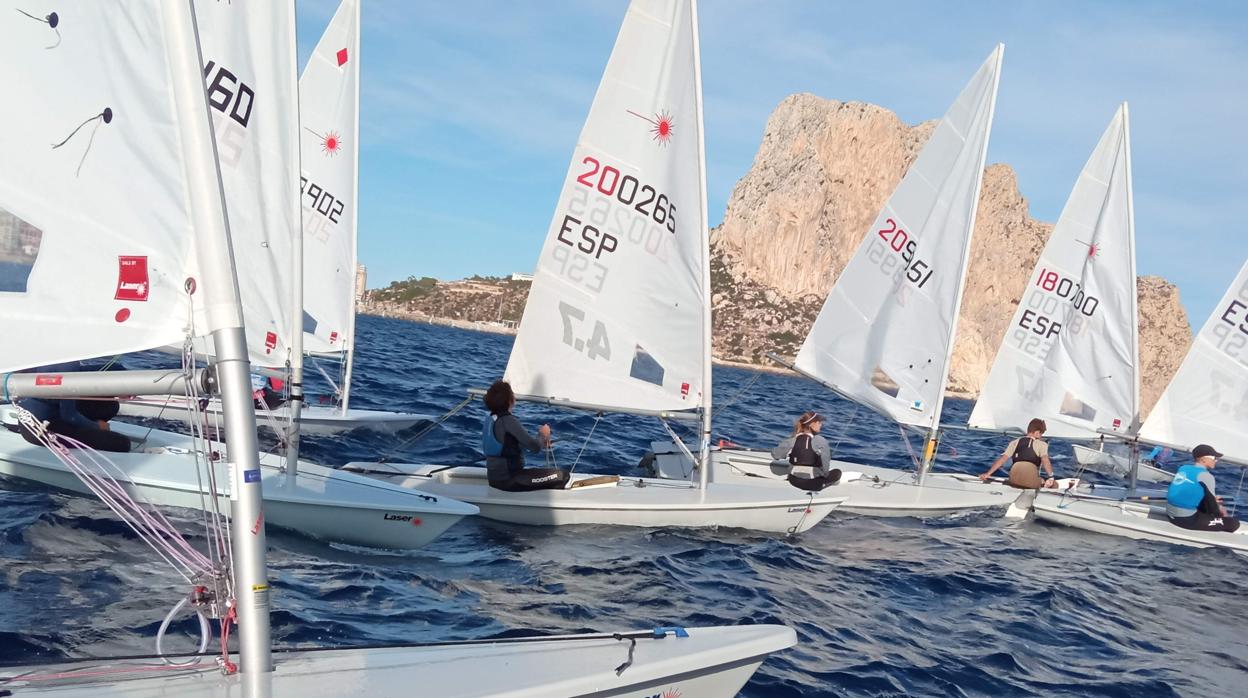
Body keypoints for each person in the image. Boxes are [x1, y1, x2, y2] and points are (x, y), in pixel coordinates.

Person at [11, 362, 130, 453]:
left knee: (109, 406)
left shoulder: (59, 358)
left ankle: (88, 432)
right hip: (42, 430)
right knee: (122, 443)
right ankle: (88, 434)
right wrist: (97, 426)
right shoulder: (67, 365)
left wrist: (121, 379)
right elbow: (69, 416)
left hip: (37, 417)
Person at [481, 380, 569, 492]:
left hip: (494, 479)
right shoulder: (508, 421)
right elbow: (534, 447)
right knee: (562, 476)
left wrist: (541, 443)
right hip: (510, 480)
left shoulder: (491, 420)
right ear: (510, 400)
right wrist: (543, 434)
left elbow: (508, 446)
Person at [1166, 444, 1240, 533]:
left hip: (1170, 514)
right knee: (1233, 523)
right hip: (1186, 519)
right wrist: (1221, 515)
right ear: (1203, 459)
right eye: (1214, 458)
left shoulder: (1183, 468)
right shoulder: (1206, 476)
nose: (1216, 460)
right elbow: (1212, 508)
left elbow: (1188, 490)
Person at [770, 411, 842, 492]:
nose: (821, 425)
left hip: (794, 481)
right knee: (837, 472)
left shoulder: (792, 440)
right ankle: (821, 487)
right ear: (812, 424)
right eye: (819, 422)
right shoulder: (821, 441)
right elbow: (825, 470)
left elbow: (775, 455)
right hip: (813, 484)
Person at [979, 418, 1055, 489]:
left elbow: (1002, 459)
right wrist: (1051, 477)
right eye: (1041, 434)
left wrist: (987, 474)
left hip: (1013, 480)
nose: (1041, 437)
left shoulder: (1014, 442)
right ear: (1037, 433)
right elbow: (1045, 460)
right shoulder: (1042, 444)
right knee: (1051, 483)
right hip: (1029, 481)